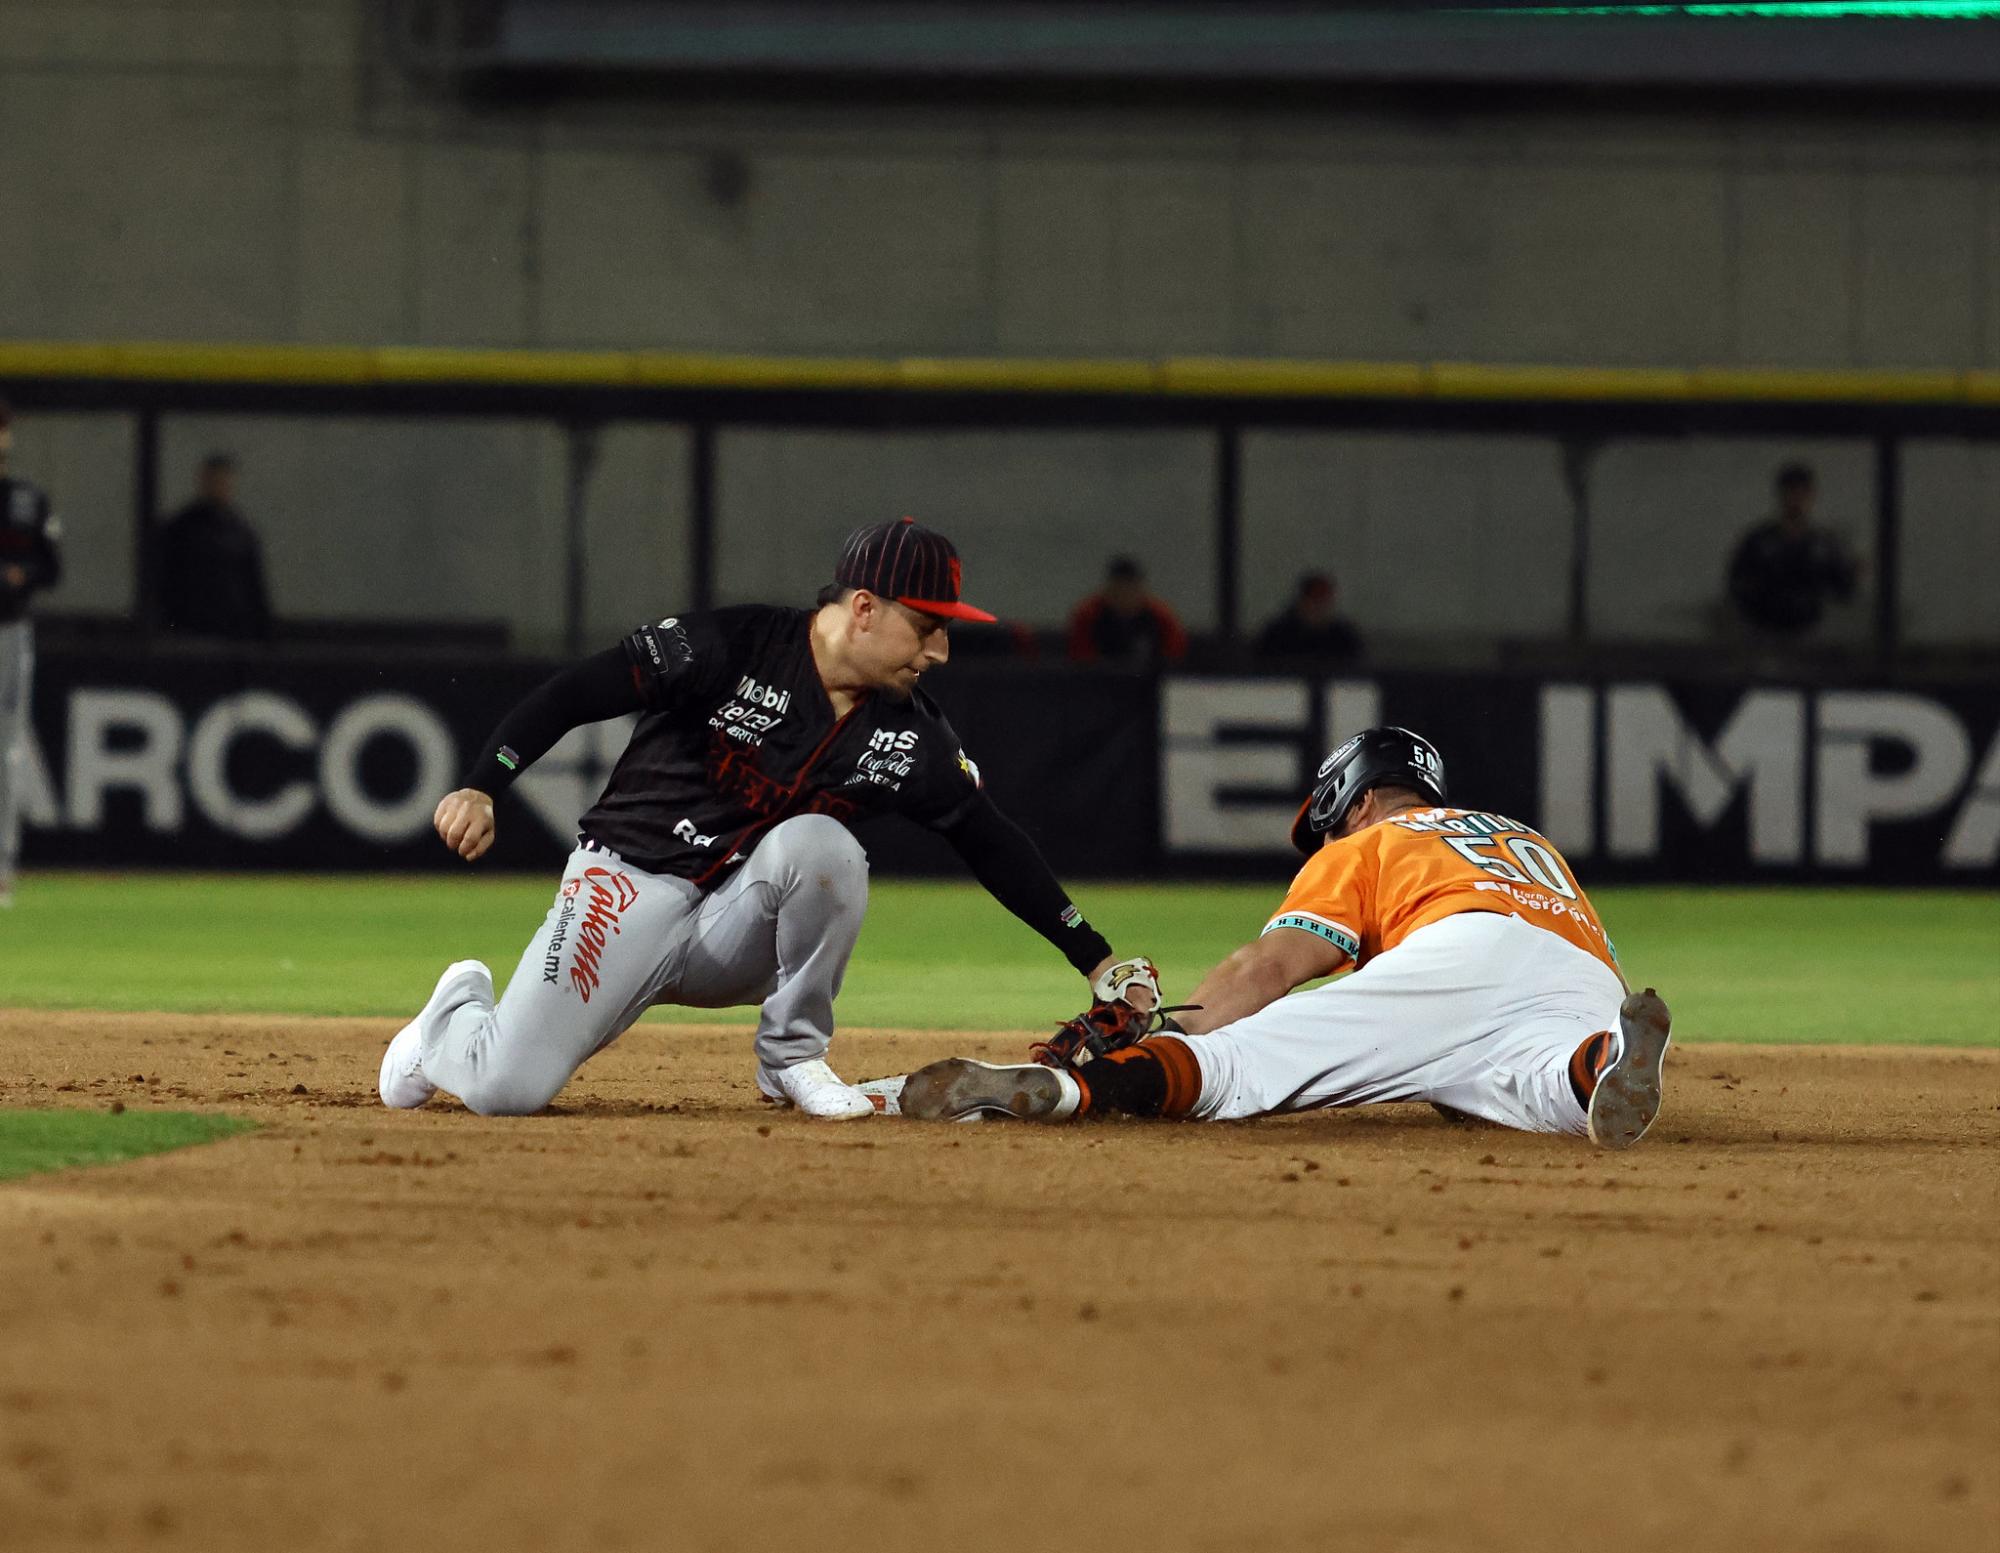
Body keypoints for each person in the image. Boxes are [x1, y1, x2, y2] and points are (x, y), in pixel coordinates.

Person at [377, 517, 1158, 1120]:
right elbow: (575, 692)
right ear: (863, 609)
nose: (942, 650)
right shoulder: (732, 645)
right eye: (928, 625)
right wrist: (484, 784)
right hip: (627, 888)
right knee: (506, 1089)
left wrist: (1094, 957)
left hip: (736, 934)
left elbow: (987, 836)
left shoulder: (909, 730)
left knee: (825, 848)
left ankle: (791, 1057)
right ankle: (453, 1018)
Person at [899, 726, 1673, 1151]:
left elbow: (1269, 967)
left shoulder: (1373, 840)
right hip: (1590, 981)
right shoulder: (1518, 833)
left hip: (1459, 952)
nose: (1328, 838)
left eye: (1332, 821)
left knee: (1241, 1065)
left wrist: (1162, 1028)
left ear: (1362, 800)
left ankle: (1077, 1091)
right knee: (1523, 1086)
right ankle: (1598, 1062)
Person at [0, 402, 62, 909]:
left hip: (8, 631)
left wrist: (21, 576)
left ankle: (0, 866)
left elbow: (51, 568)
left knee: (5, 750)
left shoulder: (26, 499)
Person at [1726, 462, 1862, 636]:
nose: (1796, 500)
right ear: (1781, 495)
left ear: (1811, 496)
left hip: (1810, 629)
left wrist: (1852, 573)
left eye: (1802, 493)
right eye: (1791, 492)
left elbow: (1843, 590)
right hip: (1763, 628)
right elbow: (1737, 583)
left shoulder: (1823, 544)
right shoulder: (1759, 541)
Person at [157, 453, 273, 641]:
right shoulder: (181, 529)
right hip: (190, 628)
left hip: (232, 630)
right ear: (203, 481)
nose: (220, 486)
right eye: (215, 480)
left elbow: (254, 585)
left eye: (224, 481)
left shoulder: (240, 531)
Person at [1066, 556, 1187, 665]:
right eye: (1119, 589)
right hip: (1100, 679)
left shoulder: (1160, 615)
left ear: (1141, 589)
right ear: (1109, 589)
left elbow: (1174, 654)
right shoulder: (1088, 615)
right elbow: (1081, 658)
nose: (1125, 595)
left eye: (1131, 589)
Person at [1253, 572, 1364, 664]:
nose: (1320, 605)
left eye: (1325, 599)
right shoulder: (1278, 633)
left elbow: (1355, 661)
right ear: (1303, 599)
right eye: (1315, 599)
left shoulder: (1342, 634)